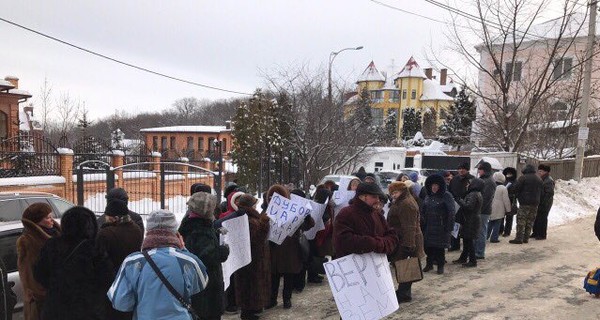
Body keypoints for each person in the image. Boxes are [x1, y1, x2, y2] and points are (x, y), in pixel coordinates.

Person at [108, 209, 209, 320]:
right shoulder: (187, 261)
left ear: (148, 231)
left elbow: (120, 302)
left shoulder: (132, 262)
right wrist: (183, 249)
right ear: (175, 232)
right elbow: (202, 282)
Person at [34, 206, 113, 320]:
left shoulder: (52, 245)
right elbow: (107, 277)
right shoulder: (94, 248)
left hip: (55, 309)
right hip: (87, 310)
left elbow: (39, 273)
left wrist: (55, 286)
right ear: (90, 226)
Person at [179, 192, 230, 320]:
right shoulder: (202, 230)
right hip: (207, 286)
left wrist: (216, 233)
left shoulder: (190, 224)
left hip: (196, 283)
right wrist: (223, 250)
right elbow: (208, 256)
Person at [266, 185, 314, 310]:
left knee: (288, 275)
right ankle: (272, 299)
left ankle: (287, 299)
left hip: (290, 249)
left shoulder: (293, 211)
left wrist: (306, 216)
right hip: (274, 249)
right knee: (274, 276)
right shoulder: (266, 210)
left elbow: (308, 226)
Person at [97, 199, 144, 320]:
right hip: (133, 279)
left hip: (111, 284)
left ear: (114, 218)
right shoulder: (136, 229)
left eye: (107, 216)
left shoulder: (105, 233)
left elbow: (100, 261)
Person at [17, 203, 61, 320]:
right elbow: (26, 271)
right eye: (47, 217)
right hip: (42, 300)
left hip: (61, 296)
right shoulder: (28, 241)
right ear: (36, 222)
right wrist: (41, 293)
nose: (52, 220)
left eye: (51, 216)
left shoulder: (58, 234)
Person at [333, 182, 398, 260]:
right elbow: (343, 240)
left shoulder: (377, 214)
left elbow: (392, 236)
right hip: (353, 267)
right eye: (374, 197)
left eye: (378, 197)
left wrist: (381, 244)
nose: (378, 200)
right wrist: (372, 243)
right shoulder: (346, 214)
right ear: (363, 197)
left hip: (377, 266)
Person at [234, 194, 271, 320]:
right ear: (250, 206)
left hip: (252, 258)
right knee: (250, 285)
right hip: (253, 258)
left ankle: (251, 310)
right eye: (254, 203)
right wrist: (265, 225)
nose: (256, 205)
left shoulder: (247, 217)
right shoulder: (249, 220)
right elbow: (256, 240)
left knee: (250, 284)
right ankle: (247, 313)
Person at [386, 182, 425, 303]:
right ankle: (404, 292)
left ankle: (404, 293)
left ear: (402, 191)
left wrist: (409, 245)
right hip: (404, 238)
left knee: (405, 265)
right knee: (404, 265)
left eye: (395, 192)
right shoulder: (403, 201)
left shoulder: (406, 204)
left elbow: (409, 226)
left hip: (407, 240)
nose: (393, 195)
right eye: (392, 193)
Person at [421, 175, 455, 274]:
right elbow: (423, 210)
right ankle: (429, 264)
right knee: (429, 247)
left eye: (436, 185)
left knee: (439, 248)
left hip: (441, 227)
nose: (434, 187)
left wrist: (449, 227)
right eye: (432, 185)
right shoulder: (428, 196)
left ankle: (440, 266)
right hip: (429, 226)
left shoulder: (446, 196)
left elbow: (451, 212)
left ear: (440, 186)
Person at [453, 178, 483, 268]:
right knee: (466, 240)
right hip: (472, 219)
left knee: (469, 241)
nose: (467, 185)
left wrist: (460, 200)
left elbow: (469, 207)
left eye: (469, 184)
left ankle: (472, 261)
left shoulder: (473, 194)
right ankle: (463, 257)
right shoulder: (477, 193)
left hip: (470, 220)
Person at [509, 165, 543, 244]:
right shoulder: (539, 179)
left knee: (521, 220)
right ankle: (526, 238)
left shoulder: (523, 178)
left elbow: (516, 188)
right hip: (535, 203)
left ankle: (519, 238)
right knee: (530, 221)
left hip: (524, 203)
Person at [448, 162, 473, 252]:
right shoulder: (454, 179)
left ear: (467, 170)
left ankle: (467, 248)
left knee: (466, 227)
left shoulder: (471, 179)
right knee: (455, 225)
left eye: (463, 168)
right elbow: (450, 191)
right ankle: (455, 244)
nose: (461, 170)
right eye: (459, 168)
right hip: (455, 205)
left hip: (467, 205)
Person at [474, 161, 496, 260]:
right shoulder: (484, 179)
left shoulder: (489, 181)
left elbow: (486, 198)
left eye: (480, 169)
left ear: (484, 170)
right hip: (480, 210)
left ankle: (479, 252)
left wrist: (478, 208)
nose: (478, 171)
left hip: (483, 210)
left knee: (481, 231)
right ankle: (476, 250)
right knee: (478, 230)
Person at [531, 164, 555, 240]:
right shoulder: (542, 179)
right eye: (539, 171)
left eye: (540, 171)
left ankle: (542, 234)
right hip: (539, 201)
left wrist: (543, 202)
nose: (539, 172)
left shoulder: (549, 180)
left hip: (545, 203)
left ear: (545, 172)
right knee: (536, 217)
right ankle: (535, 233)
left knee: (542, 218)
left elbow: (549, 193)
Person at [488, 172, 511, 243]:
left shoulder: (491, 186)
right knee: (497, 223)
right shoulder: (503, 188)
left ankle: (486, 236)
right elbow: (506, 200)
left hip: (490, 206)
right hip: (500, 208)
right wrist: (508, 209)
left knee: (490, 222)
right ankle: (494, 238)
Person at [501, 167, 518, 237]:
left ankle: (507, 231)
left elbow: (517, 191)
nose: (508, 175)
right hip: (502, 200)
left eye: (510, 174)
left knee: (509, 216)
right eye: (507, 174)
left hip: (511, 200)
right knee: (501, 216)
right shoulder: (504, 181)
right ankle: (500, 229)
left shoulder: (515, 182)